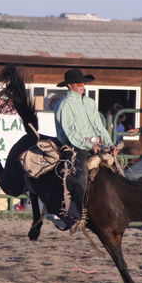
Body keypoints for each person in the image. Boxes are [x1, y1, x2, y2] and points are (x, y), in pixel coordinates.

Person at [54, 68, 114, 232]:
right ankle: (74, 215)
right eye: (79, 83)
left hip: (94, 142)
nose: (83, 86)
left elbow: (99, 127)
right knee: (79, 177)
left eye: (83, 83)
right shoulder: (64, 105)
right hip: (74, 145)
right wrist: (90, 145)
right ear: (70, 86)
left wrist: (109, 143)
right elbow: (71, 133)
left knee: (117, 172)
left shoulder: (89, 103)